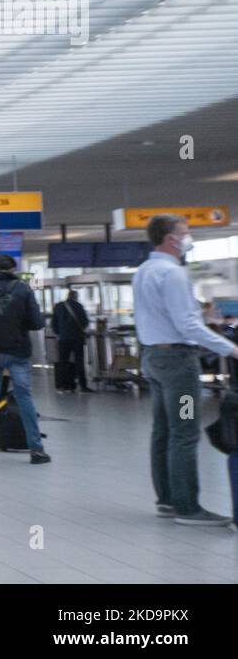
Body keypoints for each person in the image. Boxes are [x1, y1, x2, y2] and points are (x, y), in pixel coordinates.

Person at [131, 213, 236, 527]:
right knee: (185, 432)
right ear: (171, 238)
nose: (188, 237)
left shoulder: (144, 271)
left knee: (162, 430)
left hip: (153, 358)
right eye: (185, 232)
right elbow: (187, 324)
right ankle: (187, 507)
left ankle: (166, 499)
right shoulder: (173, 274)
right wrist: (230, 348)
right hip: (178, 364)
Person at [0, 255, 50, 464]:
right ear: (13, 268)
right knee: (24, 398)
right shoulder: (23, 289)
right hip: (18, 352)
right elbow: (36, 323)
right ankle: (37, 450)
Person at [52, 289, 92, 393]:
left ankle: (63, 386)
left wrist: (59, 333)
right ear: (75, 297)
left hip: (63, 339)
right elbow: (85, 322)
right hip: (77, 339)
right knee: (79, 362)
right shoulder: (79, 306)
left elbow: (53, 324)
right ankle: (83, 386)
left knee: (63, 362)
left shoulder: (58, 306)